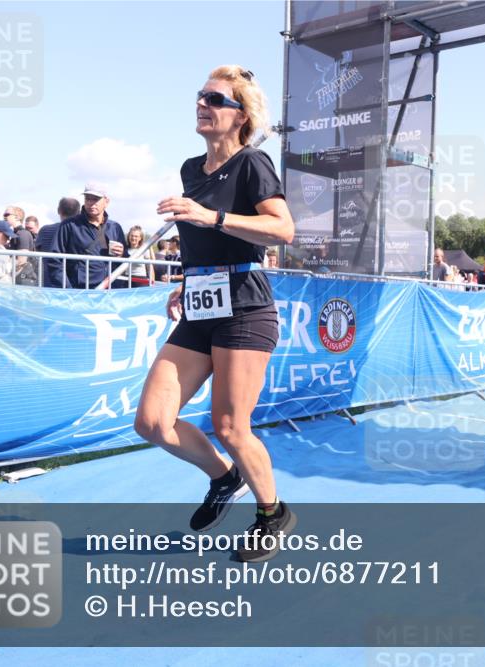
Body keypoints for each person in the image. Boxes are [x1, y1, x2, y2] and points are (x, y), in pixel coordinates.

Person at [134, 65, 296, 563]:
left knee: (230, 426)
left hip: (245, 306)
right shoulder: (189, 169)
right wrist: (186, 280)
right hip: (202, 306)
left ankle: (273, 514)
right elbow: (198, 241)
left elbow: (282, 230)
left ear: (240, 115)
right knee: (153, 422)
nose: (202, 104)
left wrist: (213, 215)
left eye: (215, 99)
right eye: (200, 96)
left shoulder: (253, 164)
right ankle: (225, 478)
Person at [44, 184, 127, 289]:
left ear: (106, 202)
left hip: (109, 293)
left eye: (95, 199)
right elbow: (54, 260)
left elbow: (126, 262)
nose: (91, 203)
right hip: (79, 293)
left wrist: (121, 255)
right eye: (87, 199)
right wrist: (68, 289)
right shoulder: (69, 225)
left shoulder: (115, 227)